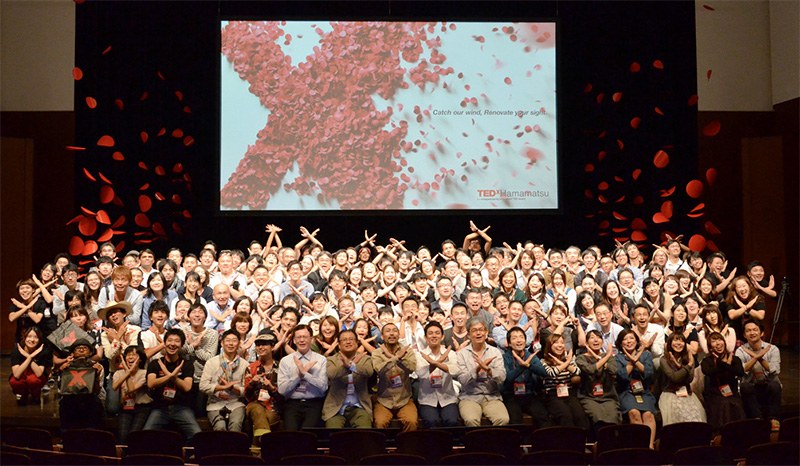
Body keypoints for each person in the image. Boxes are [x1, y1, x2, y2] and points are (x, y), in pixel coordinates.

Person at [143, 329, 202, 446]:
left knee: (197, 435)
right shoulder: (155, 363)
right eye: (169, 340)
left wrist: (173, 377)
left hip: (182, 407)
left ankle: (187, 458)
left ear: (181, 345)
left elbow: (187, 387)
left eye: (176, 341)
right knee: (145, 435)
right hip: (160, 408)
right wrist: (169, 375)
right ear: (164, 343)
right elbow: (151, 383)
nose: (172, 344)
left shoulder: (186, 364)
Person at [456, 318, 509, 426]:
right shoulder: (462, 354)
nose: (478, 333)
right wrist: (476, 370)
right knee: (471, 420)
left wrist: (488, 370)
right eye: (474, 330)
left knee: (503, 419)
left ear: (486, 333)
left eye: (481, 329)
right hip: (469, 397)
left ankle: (493, 443)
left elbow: (502, 377)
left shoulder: (495, 352)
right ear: (469, 335)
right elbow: (462, 379)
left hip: (491, 396)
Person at [277, 324, 328, 430]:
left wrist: (306, 375)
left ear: (311, 339)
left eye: (305, 337)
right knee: (291, 434)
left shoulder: (321, 360)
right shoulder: (286, 361)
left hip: (314, 403)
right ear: (294, 340)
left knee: (308, 434)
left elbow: (323, 388)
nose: (302, 340)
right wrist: (298, 376)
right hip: (292, 403)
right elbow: (282, 390)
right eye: (298, 337)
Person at [736, 320, 782, 431]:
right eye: (748, 331)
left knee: (775, 385)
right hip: (752, 386)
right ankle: (757, 418)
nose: (752, 333)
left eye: (755, 330)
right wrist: (756, 357)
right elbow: (740, 371)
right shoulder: (741, 351)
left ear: (761, 333)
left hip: (768, 385)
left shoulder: (773, 349)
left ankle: (773, 419)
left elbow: (775, 370)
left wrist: (759, 357)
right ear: (744, 335)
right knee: (744, 387)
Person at [322, 329, 374, 428]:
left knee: (366, 434)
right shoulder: (331, 359)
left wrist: (351, 366)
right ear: (339, 345)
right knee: (333, 435)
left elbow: (369, 371)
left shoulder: (365, 358)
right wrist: (348, 366)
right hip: (336, 407)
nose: (348, 342)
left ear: (357, 343)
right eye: (344, 340)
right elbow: (332, 374)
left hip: (359, 406)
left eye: (351, 339)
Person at [615, 329, 657, 448]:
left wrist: (636, 360)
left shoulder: (646, 355)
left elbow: (648, 373)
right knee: (634, 413)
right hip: (627, 392)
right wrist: (631, 362)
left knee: (648, 415)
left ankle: (649, 447)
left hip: (644, 391)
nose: (629, 341)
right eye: (625, 339)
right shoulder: (618, 358)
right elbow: (622, 375)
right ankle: (640, 447)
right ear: (620, 343)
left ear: (636, 341)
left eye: (631, 338)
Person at [372, 323, 418, 431]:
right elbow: (379, 370)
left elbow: (411, 368)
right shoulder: (377, 353)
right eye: (388, 331)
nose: (391, 333)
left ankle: (408, 447)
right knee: (379, 423)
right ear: (382, 336)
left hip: (404, 399)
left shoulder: (407, 350)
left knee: (411, 422)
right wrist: (395, 358)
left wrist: (401, 359)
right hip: (384, 400)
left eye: (394, 331)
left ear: (398, 335)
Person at [502, 326, 550, 428]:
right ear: (509, 343)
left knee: (542, 416)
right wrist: (522, 367)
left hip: (528, 394)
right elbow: (507, 378)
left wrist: (529, 366)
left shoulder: (530, 356)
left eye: (521, 337)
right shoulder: (505, 358)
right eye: (514, 338)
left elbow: (543, 372)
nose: (519, 340)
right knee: (515, 419)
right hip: (511, 394)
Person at [200, 329, 248, 431]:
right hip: (215, 404)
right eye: (228, 340)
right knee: (220, 427)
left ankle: (235, 447)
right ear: (222, 343)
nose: (231, 343)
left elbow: (247, 390)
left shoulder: (245, 364)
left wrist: (232, 388)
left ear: (239, 344)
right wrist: (221, 387)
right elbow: (203, 386)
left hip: (236, 404)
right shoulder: (211, 362)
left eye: (234, 341)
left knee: (235, 425)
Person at [100, 301, 142, 415]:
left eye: (116, 312)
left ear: (124, 314)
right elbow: (109, 355)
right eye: (110, 314)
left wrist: (115, 340)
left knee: (137, 406)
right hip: (115, 372)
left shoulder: (135, 330)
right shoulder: (105, 334)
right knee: (112, 409)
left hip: (133, 372)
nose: (113, 315)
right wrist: (118, 337)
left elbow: (133, 354)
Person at [576, 330, 620, 436]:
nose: (596, 340)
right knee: (597, 416)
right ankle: (600, 446)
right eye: (592, 337)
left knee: (613, 416)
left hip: (608, 396)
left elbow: (614, 370)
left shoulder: (609, 356)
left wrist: (602, 358)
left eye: (598, 337)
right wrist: (605, 358)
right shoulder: (581, 358)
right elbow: (590, 370)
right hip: (589, 397)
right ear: (586, 343)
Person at [416, 321, 460, 428]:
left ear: (442, 336)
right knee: (431, 421)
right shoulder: (420, 354)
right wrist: (439, 362)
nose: (434, 335)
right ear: (425, 337)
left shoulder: (450, 353)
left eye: (437, 333)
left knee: (452, 420)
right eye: (430, 333)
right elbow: (420, 374)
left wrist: (436, 362)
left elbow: (455, 371)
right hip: (427, 399)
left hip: (448, 398)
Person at [540, 333, 588, 429]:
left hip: (569, 392)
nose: (560, 345)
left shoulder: (570, 358)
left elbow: (577, 372)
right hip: (553, 395)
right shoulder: (543, 361)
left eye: (562, 343)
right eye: (556, 343)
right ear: (550, 345)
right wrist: (566, 363)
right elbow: (552, 373)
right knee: (565, 416)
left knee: (580, 416)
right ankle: (568, 442)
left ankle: (582, 442)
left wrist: (563, 363)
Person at [702, 331, 746, 433]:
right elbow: (709, 371)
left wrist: (721, 364)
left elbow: (740, 372)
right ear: (710, 346)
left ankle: (740, 433)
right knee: (724, 404)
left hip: (731, 392)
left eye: (720, 340)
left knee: (737, 404)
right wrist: (725, 364)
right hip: (715, 394)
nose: (718, 343)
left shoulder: (734, 359)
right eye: (714, 341)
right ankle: (722, 434)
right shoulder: (707, 361)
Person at [659, 333, 706, 425]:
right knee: (678, 417)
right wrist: (688, 366)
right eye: (675, 340)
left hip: (687, 393)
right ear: (670, 343)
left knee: (695, 417)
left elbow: (689, 379)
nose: (678, 343)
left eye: (681, 341)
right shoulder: (664, 359)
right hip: (670, 393)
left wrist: (679, 366)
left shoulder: (688, 357)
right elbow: (674, 378)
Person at [244, 330, 282, 445]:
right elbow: (247, 397)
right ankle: (268, 447)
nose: (260, 347)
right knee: (257, 409)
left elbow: (283, 397)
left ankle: (256, 448)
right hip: (254, 404)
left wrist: (271, 388)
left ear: (273, 347)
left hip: (273, 407)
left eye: (264, 344)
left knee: (262, 418)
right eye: (258, 345)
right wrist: (251, 384)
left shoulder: (281, 367)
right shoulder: (251, 368)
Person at [58, 338, 105, 431]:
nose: (81, 350)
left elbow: (97, 391)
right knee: (64, 404)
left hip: (89, 400)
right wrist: (61, 372)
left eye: (85, 348)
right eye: (77, 348)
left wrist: (97, 376)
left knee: (95, 404)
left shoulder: (96, 367)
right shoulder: (66, 367)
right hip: (70, 400)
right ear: (72, 353)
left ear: (90, 352)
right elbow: (61, 389)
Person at [182, 302, 219, 418]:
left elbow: (210, 358)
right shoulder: (182, 332)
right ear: (188, 317)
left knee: (200, 413)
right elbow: (181, 353)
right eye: (193, 312)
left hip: (203, 379)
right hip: (184, 378)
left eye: (200, 312)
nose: (197, 315)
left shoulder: (212, 334)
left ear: (205, 317)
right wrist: (194, 346)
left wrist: (194, 347)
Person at [112, 346, 152, 443]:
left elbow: (131, 389)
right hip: (125, 408)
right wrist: (127, 372)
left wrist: (128, 372)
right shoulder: (118, 373)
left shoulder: (145, 373)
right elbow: (114, 387)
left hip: (141, 408)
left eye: (134, 354)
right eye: (128, 355)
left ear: (140, 359)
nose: (130, 357)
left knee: (134, 435)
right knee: (122, 436)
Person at [10, 326, 50, 405]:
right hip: (22, 376)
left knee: (33, 380)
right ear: (24, 337)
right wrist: (29, 357)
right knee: (14, 381)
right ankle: (23, 395)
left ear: (39, 340)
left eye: (35, 337)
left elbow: (39, 373)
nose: (32, 340)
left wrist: (29, 357)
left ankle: (36, 396)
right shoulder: (17, 351)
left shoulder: (43, 351)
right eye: (29, 336)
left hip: (37, 378)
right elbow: (17, 375)